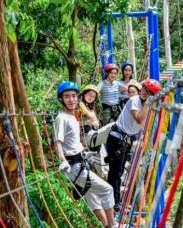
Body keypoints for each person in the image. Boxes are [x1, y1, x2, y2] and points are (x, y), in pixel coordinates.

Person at [54, 81, 117, 228]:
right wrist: (62, 160)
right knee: (108, 190)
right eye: (67, 96)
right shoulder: (61, 118)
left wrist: (83, 152)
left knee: (93, 197)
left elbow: (73, 142)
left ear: (78, 97)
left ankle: (106, 225)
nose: (71, 100)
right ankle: (113, 225)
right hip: (73, 167)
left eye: (74, 96)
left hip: (79, 162)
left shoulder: (72, 117)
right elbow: (58, 142)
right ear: (61, 99)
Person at [104, 78, 162, 212]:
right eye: (144, 89)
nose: (145, 93)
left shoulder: (148, 105)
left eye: (149, 92)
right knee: (116, 171)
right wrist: (149, 102)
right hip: (117, 137)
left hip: (126, 140)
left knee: (118, 170)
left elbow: (145, 124)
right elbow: (139, 119)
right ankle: (115, 202)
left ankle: (114, 201)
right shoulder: (134, 100)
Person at [79, 84, 114, 150]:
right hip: (84, 133)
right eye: (89, 94)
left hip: (92, 131)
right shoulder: (81, 104)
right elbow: (90, 116)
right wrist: (92, 121)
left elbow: (94, 119)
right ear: (84, 94)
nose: (91, 97)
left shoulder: (90, 107)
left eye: (93, 96)